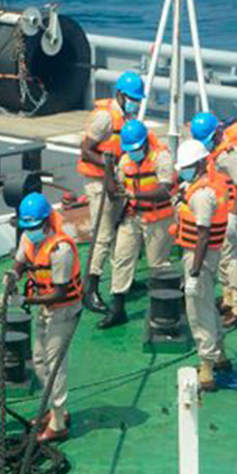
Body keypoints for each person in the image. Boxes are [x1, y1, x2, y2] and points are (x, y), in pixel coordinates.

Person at [4, 193, 84, 443]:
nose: (31, 231)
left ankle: (58, 425)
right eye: (27, 227)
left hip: (63, 309)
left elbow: (59, 294)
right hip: (46, 307)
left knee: (55, 364)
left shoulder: (60, 250)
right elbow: (20, 263)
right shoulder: (29, 237)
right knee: (39, 360)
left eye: (35, 226)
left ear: (46, 221)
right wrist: (12, 278)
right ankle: (54, 410)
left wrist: (25, 301)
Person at [76, 71, 145, 314]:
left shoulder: (126, 117)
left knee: (121, 234)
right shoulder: (104, 117)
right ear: (120, 94)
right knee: (103, 235)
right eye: (133, 98)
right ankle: (90, 287)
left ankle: (124, 280)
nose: (136, 103)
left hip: (116, 180)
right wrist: (110, 168)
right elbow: (86, 150)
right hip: (99, 183)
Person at [103, 119, 176, 329]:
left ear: (145, 143)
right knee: (122, 258)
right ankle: (118, 309)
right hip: (133, 216)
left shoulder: (161, 156)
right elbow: (113, 193)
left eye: (136, 148)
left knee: (158, 266)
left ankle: (166, 307)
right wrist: (108, 167)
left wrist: (135, 193)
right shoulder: (125, 160)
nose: (133, 152)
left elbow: (164, 189)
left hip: (158, 219)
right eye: (129, 149)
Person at [173, 140, 233, 392]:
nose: (182, 171)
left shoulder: (201, 195)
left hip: (199, 257)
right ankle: (221, 357)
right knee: (209, 305)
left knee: (199, 311)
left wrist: (194, 273)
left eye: (186, 166)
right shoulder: (210, 184)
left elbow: (203, 235)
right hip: (211, 254)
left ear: (198, 164)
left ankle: (206, 371)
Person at [191, 112, 237, 327]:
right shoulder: (215, 150)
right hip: (223, 209)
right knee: (223, 252)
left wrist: (234, 218)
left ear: (217, 133)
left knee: (231, 256)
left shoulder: (232, 153)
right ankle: (228, 298)